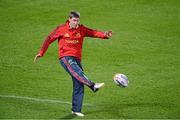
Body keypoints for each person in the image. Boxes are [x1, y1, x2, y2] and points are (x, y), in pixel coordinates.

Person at [34, 11, 112, 117]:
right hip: (65, 57)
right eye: (74, 20)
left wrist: (105, 35)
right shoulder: (61, 29)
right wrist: (41, 52)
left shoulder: (81, 29)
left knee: (79, 81)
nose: (76, 23)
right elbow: (49, 39)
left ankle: (76, 110)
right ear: (69, 19)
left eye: (78, 21)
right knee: (78, 72)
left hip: (77, 58)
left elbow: (94, 33)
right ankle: (93, 85)